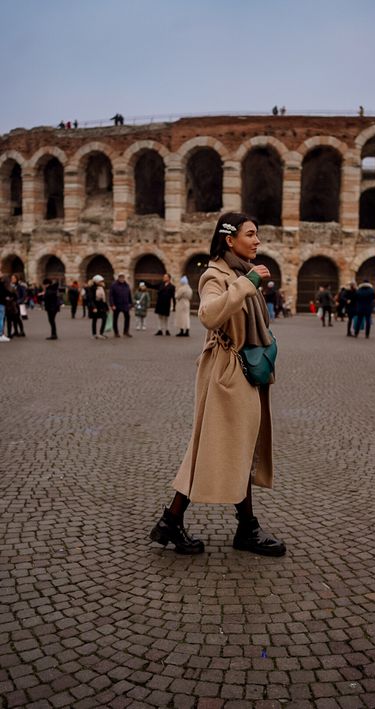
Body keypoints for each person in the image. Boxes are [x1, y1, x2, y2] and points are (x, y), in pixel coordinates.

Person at [149, 212, 286, 557]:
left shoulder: (240, 272)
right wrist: (247, 284)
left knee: (226, 447)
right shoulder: (216, 274)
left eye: (257, 235)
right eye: (251, 234)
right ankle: (246, 530)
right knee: (228, 448)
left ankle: (173, 521)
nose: (257, 241)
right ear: (229, 239)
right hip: (227, 371)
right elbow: (209, 314)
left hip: (240, 372)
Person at [109, 273, 133, 338]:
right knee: (115, 319)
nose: (122, 279)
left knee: (127, 317)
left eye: (123, 277)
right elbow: (111, 296)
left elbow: (129, 295)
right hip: (117, 304)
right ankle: (116, 332)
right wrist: (112, 304)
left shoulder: (126, 285)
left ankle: (126, 331)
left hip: (125, 304)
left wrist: (131, 303)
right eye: (120, 277)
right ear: (118, 278)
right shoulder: (114, 285)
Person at [0, 275, 10, 342]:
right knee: (1, 319)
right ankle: (0, 335)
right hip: (1, 303)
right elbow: (5, 293)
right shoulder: (1, 285)